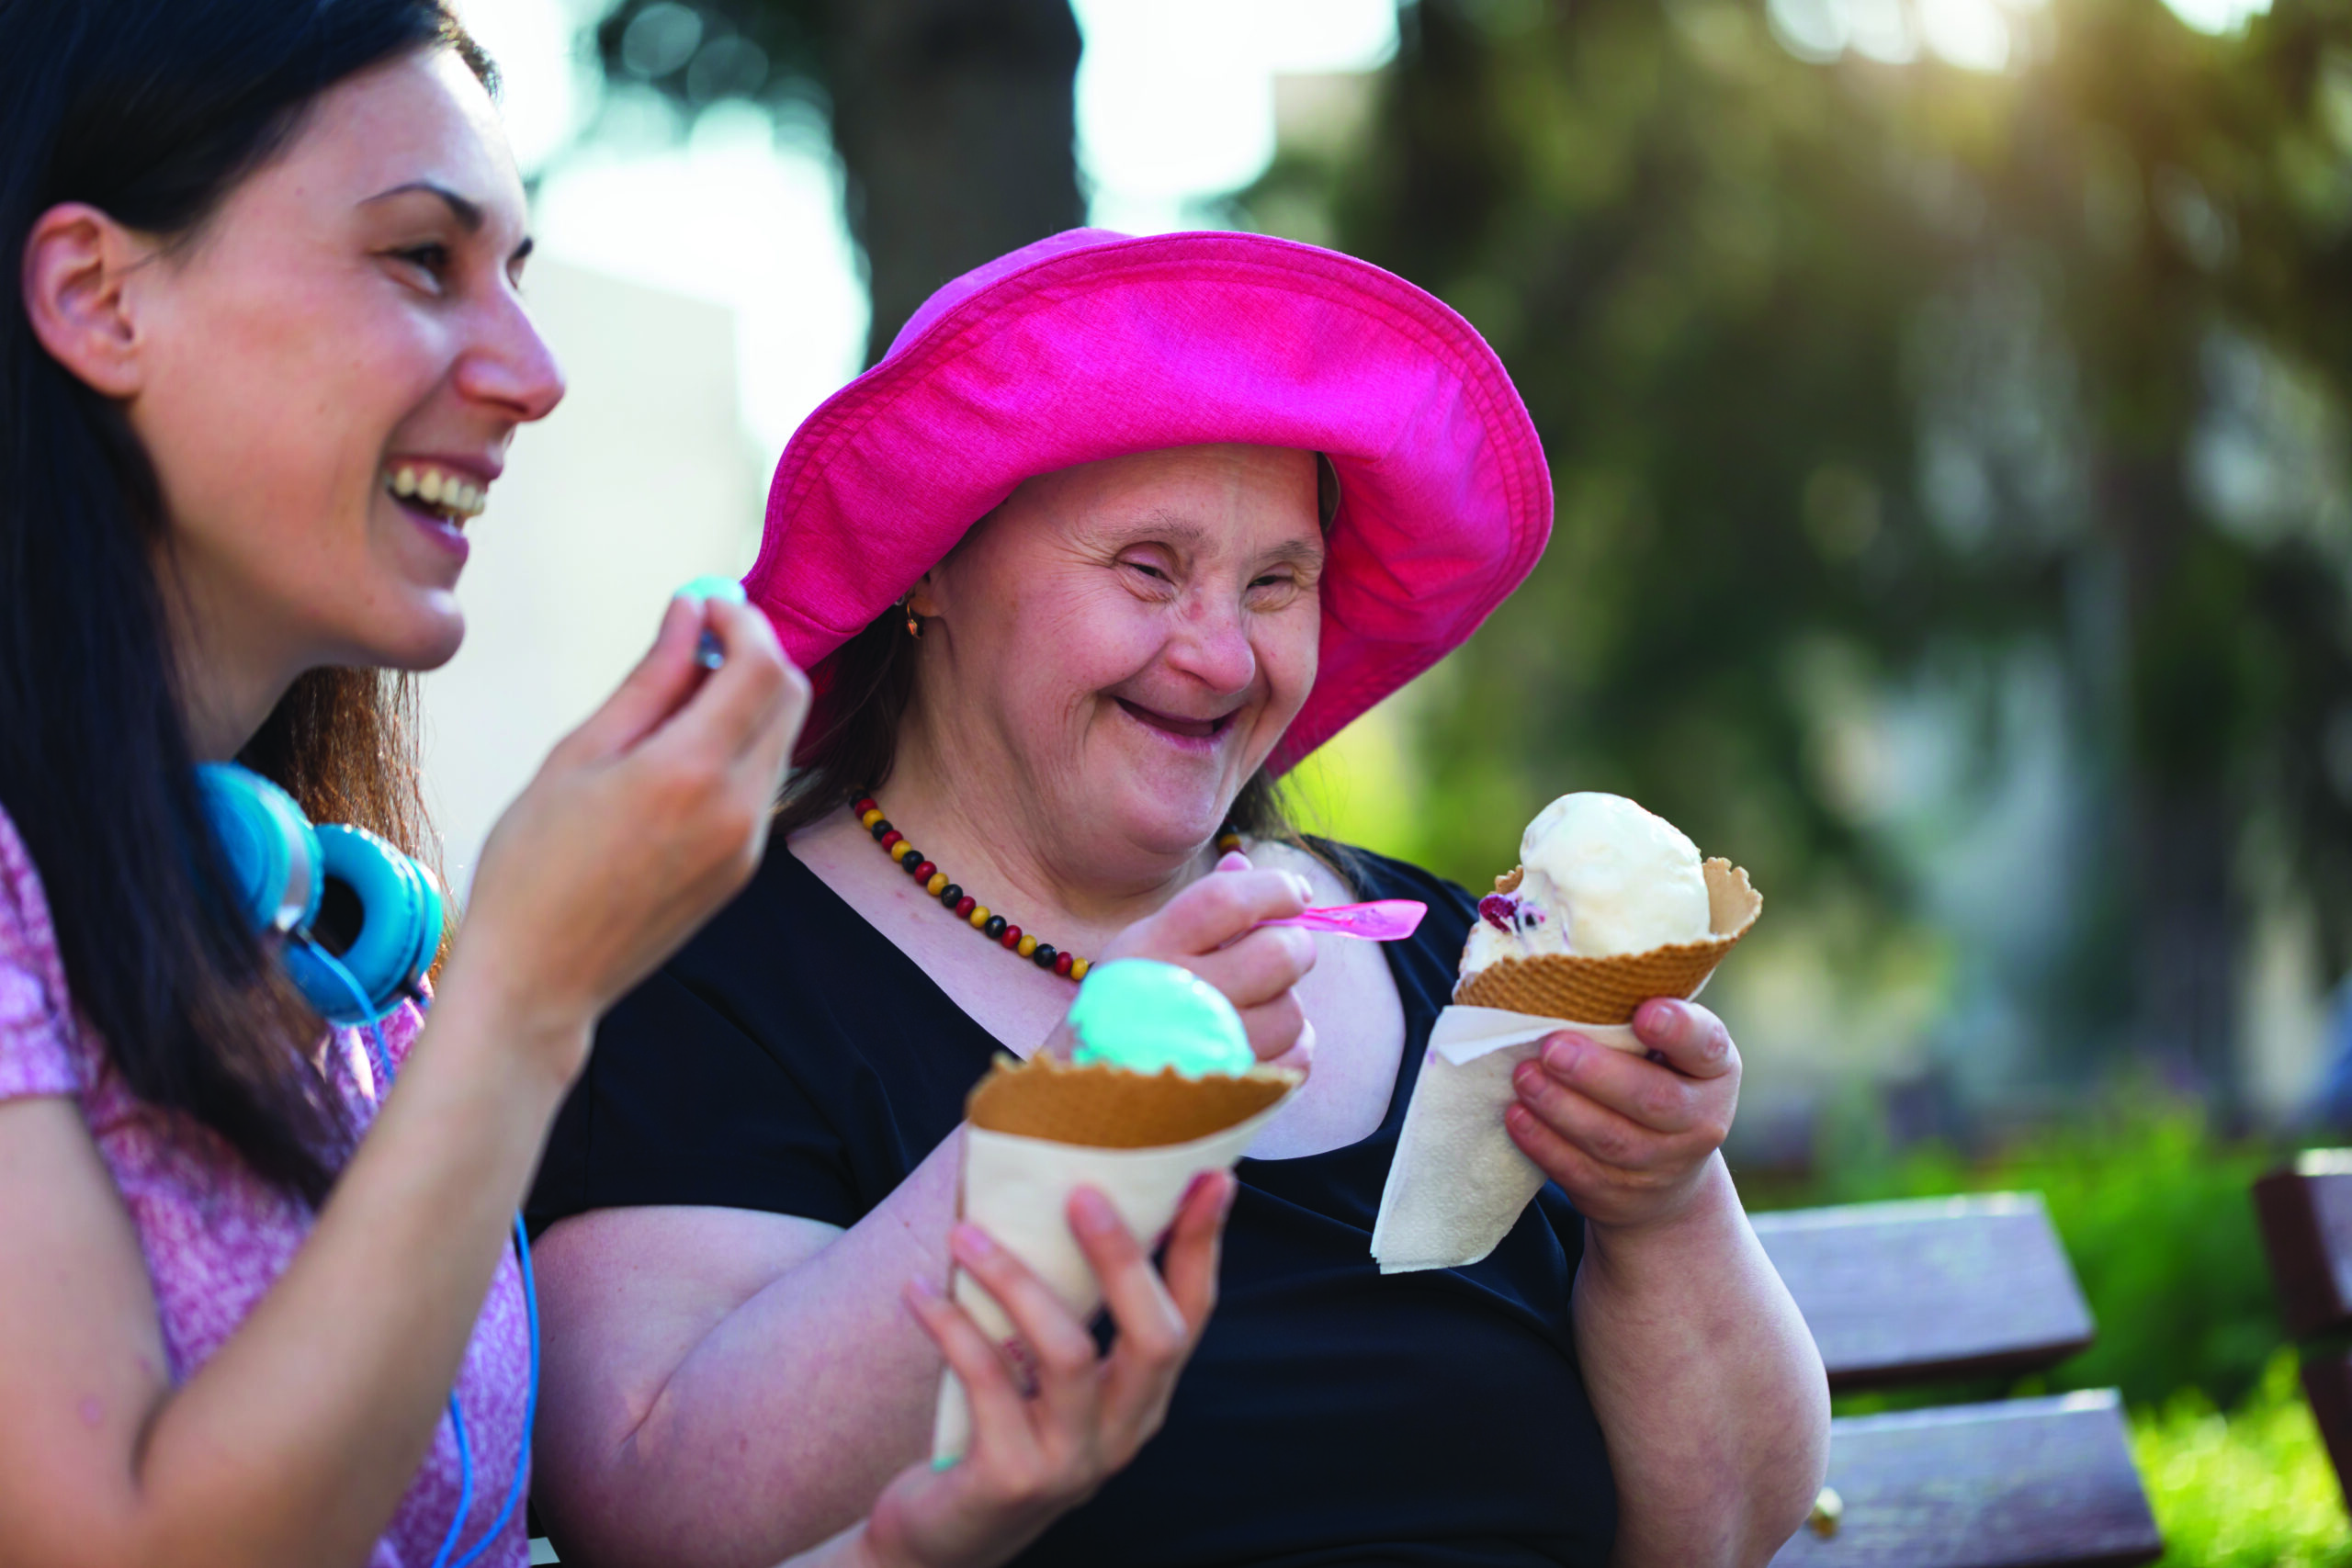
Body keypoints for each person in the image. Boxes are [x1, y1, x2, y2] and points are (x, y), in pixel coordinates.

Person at [0, 9, 1230, 1567]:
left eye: (516, 274)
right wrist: (528, 992)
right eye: (419, 261)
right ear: (99, 297)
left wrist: (917, 1543)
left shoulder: (335, 963)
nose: (533, 371)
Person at [526, 229, 1834, 1568]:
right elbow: (650, 1510)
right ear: (930, 563)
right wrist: (1079, 1118)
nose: (1219, 654)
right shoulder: (718, 985)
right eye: (1147, 568)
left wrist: (1664, 1203)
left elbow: (1721, 1531)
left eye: (1277, 582)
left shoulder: (1466, 965)